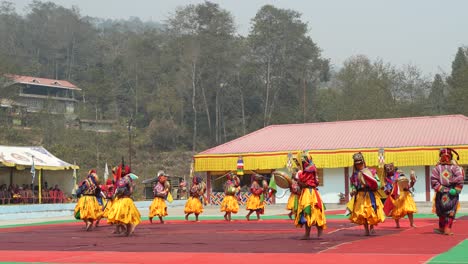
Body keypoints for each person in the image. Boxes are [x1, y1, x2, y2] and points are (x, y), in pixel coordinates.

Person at [347, 152, 385, 236]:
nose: (359, 165)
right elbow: (353, 185)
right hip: (360, 195)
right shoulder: (354, 175)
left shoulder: (371, 171)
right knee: (363, 213)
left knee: (372, 211)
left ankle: (372, 227)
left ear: (363, 162)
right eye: (357, 164)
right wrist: (352, 190)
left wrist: (374, 185)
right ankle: (366, 230)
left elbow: (377, 183)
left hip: (370, 193)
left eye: (360, 163)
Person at [431, 148, 464, 236]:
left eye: (447, 156)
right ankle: (445, 229)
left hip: (444, 192)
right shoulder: (454, 168)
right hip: (449, 192)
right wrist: (455, 189)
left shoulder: (437, 168)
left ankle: (445, 229)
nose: (446, 158)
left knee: (444, 211)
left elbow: (434, 181)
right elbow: (460, 179)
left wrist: (444, 189)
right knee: (447, 211)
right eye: (444, 156)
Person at [294, 155, 326, 239]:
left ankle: (319, 232)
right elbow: (301, 182)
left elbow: (303, 178)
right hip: (305, 192)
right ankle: (307, 234)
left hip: (311, 193)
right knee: (306, 213)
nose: (302, 163)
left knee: (315, 212)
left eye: (303, 162)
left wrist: (298, 174)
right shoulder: (304, 170)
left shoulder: (311, 168)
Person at [107, 168, 141, 236]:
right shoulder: (123, 180)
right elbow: (129, 190)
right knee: (122, 216)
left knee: (123, 216)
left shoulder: (123, 180)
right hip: (123, 200)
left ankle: (127, 231)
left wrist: (126, 193)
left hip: (124, 200)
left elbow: (128, 190)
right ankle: (126, 231)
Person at [382, 163, 417, 228]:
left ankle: (411, 223)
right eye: (387, 168)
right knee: (396, 211)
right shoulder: (386, 179)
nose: (389, 169)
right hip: (395, 195)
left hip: (404, 194)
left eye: (390, 167)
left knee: (409, 209)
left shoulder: (399, 174)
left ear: (393, 168)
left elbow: (406, 183)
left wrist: (412, 182)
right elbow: (386, 188)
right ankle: (397, 224)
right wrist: (388, 189)